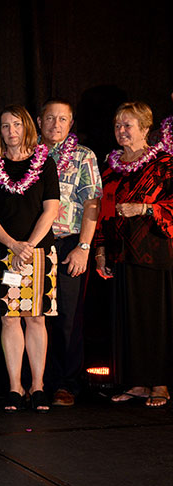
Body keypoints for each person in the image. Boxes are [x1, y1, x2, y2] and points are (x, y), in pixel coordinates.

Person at [0, 105, 60, 412]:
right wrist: (13, 245)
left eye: (15, 125)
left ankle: (37, 386)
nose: (10, 131)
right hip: (2, 251)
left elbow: (50, 210)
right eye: (4, 126)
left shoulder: (45, 163)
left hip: (38, 251)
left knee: (36, 317)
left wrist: (27, 246)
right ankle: (15, 386)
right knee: (9, 318)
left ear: (27, 127)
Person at [95, 102, 173, 409]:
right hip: (121, 252)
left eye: (128, 125)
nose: (122, 131)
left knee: (156, 319)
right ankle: (138, 382)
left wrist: (146, 208)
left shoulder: (165, 163)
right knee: (129, 320)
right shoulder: (110, 167)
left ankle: (161, 383)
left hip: (154, 252)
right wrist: (100, 252)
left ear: (145, 129)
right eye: (118, 126)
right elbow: (102, 213)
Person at [37, 99, 102, 407]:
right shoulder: (28, 153)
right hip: (33, 244)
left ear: (71, 124)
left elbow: (92, 203)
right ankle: (37, 382)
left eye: (63, 119)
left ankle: (67, 383)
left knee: (67, 318)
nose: (56, 125)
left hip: (68, 243)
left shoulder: (83, 156)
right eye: (50, 118)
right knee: (33, 315)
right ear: (39, 121)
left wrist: (84, 247)